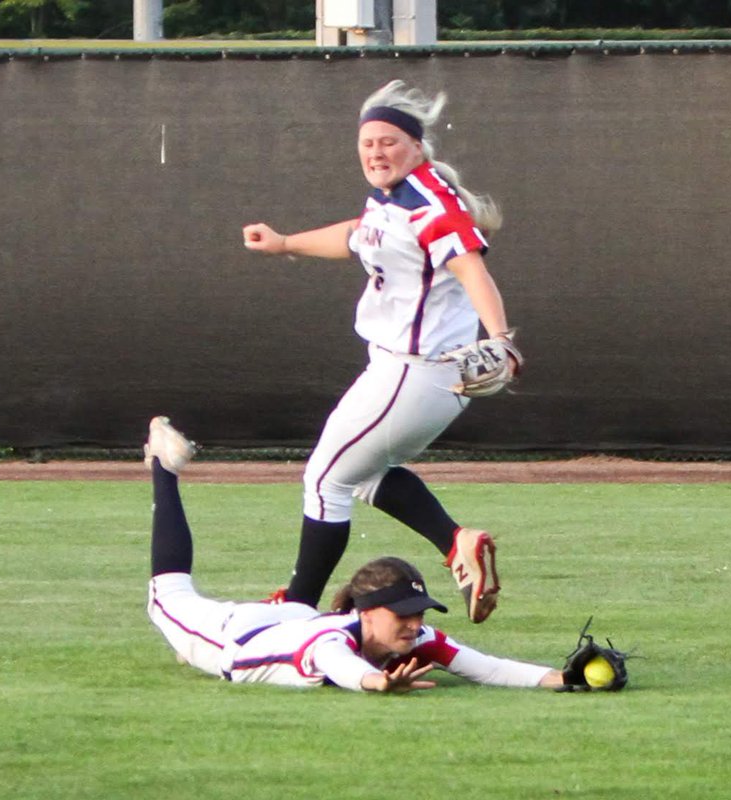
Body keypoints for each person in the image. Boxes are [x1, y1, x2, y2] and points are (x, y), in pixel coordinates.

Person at [241, 79, 521, 623]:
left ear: (417, 147)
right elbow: (356, 234)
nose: (376, 152)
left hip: (415, 374)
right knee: (364, 474)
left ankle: (296, 612)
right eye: (367, 143)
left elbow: (472, 268)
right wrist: (285, 244)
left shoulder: (428, 203)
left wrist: (502, 340)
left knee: (324, 481)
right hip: (411, 374)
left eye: (389, 141)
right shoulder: (396, 195)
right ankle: (457, 542)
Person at [142, 416, 573, 693]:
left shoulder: (413, 638)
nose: (414, 623)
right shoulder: (331, 642)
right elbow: (345, 669)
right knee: (167, 595)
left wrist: (565, 678)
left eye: (418, 611)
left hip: (293, 618)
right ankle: (165, 466)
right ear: (366, 613)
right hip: (230, 638)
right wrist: (378, 684)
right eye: (402, 613)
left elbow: (490, 669)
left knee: (297, 604)